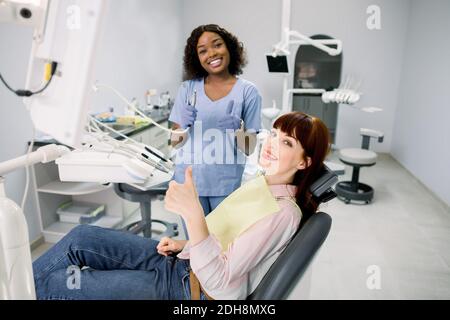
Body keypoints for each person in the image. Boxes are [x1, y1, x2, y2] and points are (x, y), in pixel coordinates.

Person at [33, 112, 330, 300]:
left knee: (61, 284)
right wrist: (183, 243)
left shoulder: (282, 213)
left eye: (287, 143)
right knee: (81, 238)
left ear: (305, 162)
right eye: (275, 135)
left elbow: (222, 280)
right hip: (185, 262)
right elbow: (224, 239)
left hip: (194, 290)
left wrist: (193, 214)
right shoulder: (262, 184)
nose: (272, 144)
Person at [169, 24, 261, 216]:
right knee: (195, 243)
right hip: (189, 181)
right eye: (202, 51)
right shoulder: (187, 89)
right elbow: (175, 143)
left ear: (229, 47)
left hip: (226, 182)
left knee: (223, 243)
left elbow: (250, 148)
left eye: (217, 45)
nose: (211, 53)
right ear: (197, 58)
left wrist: (240, 130)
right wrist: (181, 127)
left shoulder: (248, 91)